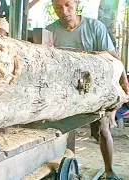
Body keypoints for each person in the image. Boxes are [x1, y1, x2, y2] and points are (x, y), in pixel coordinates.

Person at [46, 0, 129, 179]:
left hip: (96, 89)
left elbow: (114, 59)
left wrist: (124, 83)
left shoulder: (94, 27)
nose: (64, 11)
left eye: (68, 5)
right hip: (66, 91)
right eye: (58, 7)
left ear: (76, 3)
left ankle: (109, 171)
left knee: (102, 130)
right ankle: (62, 164)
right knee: (59, 128)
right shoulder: (50, 31)